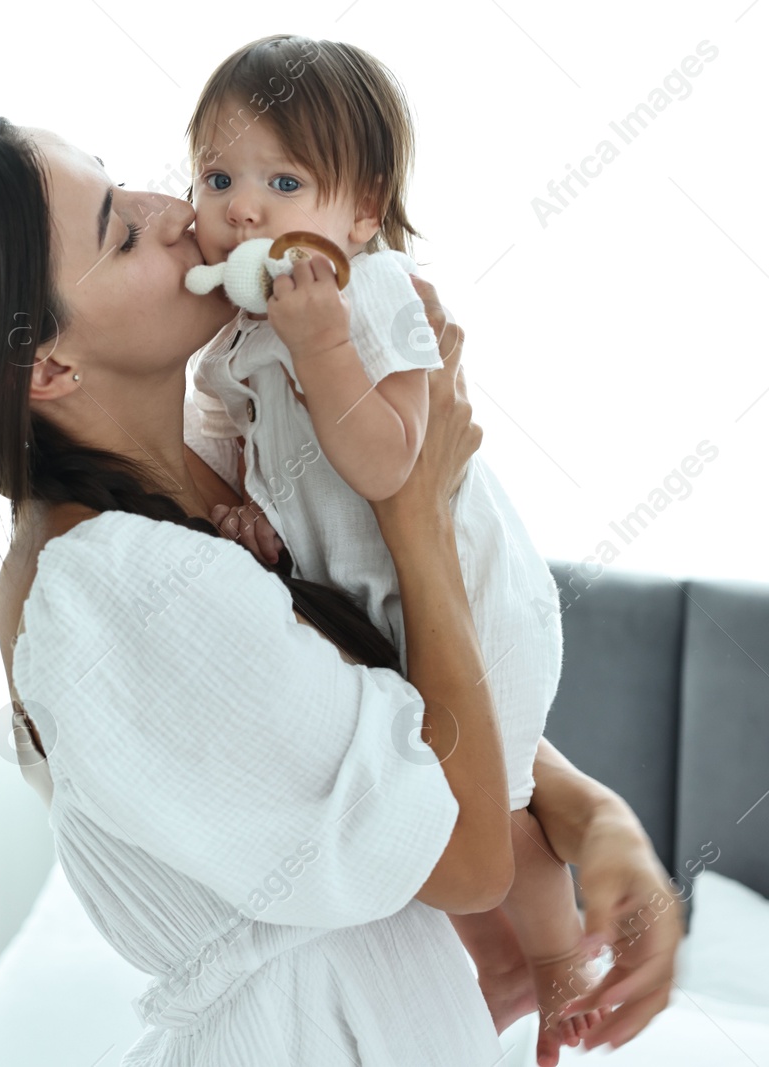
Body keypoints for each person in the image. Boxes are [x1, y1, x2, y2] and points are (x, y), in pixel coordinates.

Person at [0, 116, 682, 1066]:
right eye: (120, 230)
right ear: (49, 366)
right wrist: (416, 510)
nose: (176, 209)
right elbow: (470, 857)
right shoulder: (114, 590)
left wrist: (589, 810)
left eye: (127, 183)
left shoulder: (217, 460)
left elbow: (373, 725)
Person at [181, 35, 595, 1060]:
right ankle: (498, 964)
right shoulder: (231, 345)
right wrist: (244, 515)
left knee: (487, 812)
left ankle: (559, 963)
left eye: (284, 181)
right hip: (378, 613)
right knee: (419, 805)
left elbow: (388, 462)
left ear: (361, 211)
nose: (243, 210)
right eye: (217, 177)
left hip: (471, 600)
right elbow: (255, 474)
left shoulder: (375, 295)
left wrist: (321, 346)